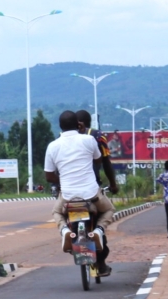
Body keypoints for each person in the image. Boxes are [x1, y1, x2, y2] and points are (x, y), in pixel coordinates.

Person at [44, 110, 116, 276]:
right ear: (79, 124)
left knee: (56, 212)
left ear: (60, 126)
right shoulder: (89, 139)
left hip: (68, 195)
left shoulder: (53, 146)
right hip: (91, 193)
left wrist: (64, 182)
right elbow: (98, 160)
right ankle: (98, 231)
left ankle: (65, 232)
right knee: (109, 209)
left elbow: (49, 176)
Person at [74, 110, 120, 195]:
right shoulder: (97, 135)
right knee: (109, 209)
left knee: (58, 208)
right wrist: (113, 185)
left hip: (68, 188)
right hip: (91, 187)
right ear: (89, 123)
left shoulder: (63, 137)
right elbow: (106, 162)